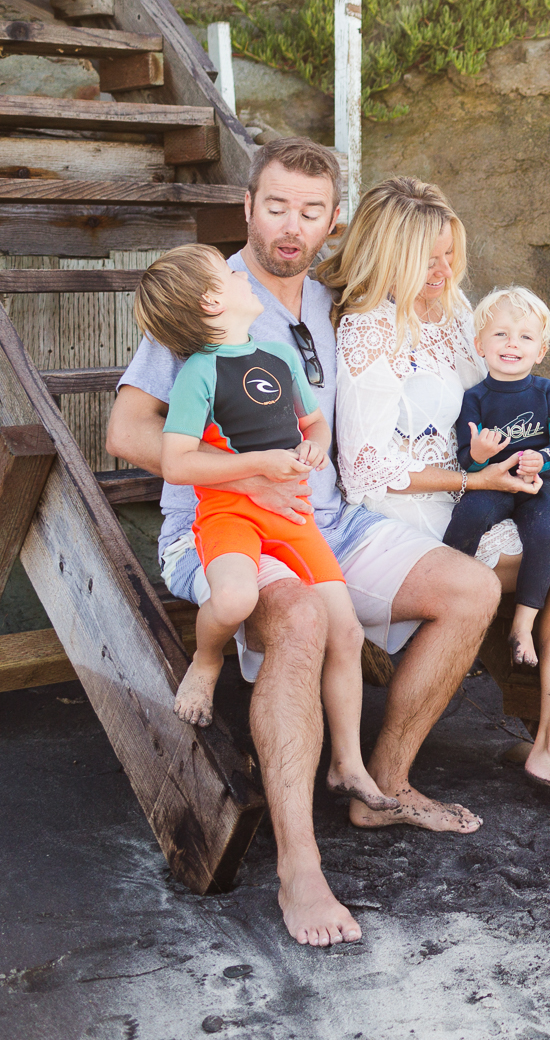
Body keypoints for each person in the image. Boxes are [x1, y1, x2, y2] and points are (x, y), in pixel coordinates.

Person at [108, 138, 521, 950]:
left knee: (472, 589)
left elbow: (467, 373)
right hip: (220, 530)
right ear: (249, 207)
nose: (289, 227)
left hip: (328, 522)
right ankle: (300, 862)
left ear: (333, 221)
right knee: (297, 618)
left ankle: (380, 781)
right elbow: (125, 429)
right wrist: (237, 468)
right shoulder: (210, 296)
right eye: (274, 206)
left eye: (309, 211)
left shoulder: (338, 304)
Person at [321, 180, 550, 735]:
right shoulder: (369, 329)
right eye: (428, 260)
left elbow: (509, 400)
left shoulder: (451, 310)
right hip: (416, 508)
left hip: (481, 483)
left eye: (450, 255)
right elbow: (366, 471)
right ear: (389, 254)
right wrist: (476, 483)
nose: (445, 272)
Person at [130, 243, 396, 819]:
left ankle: (348, 763)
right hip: (228, 514)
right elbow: (177, 463)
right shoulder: (198, 372)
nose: (239, 274)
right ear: (211, 301)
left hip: (293, 515)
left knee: (344, 632)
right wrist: (255, 469)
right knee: (234, 597)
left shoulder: (278, 355)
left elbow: (313, 421)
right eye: (226, 275)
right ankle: (206, 661)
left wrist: (314, 448)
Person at [445, 286, 550, 670]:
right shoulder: (476, 398)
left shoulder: (546, 392)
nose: (512, 344)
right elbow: (466, 460)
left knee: (545, 533)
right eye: (500, 333)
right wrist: (480, 456)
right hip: (494, 482)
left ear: (541, 351)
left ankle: (523, 624)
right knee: (468, 516)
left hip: (539, 484)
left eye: (525, 336)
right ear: (479, 344)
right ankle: (453, 595)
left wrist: (543, 456)